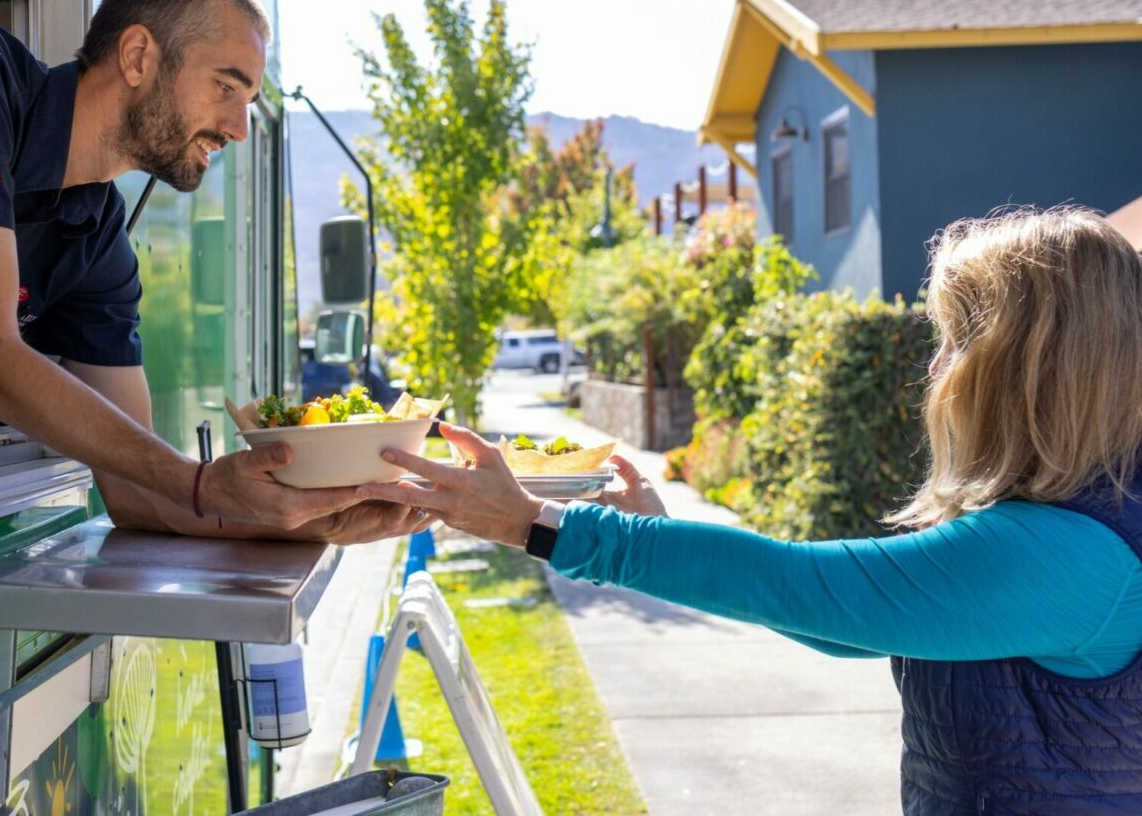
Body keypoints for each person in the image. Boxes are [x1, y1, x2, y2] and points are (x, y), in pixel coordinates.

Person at [368, 207, 1142, 815]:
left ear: (1033, 369)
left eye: (957, 340)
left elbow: (802, 586)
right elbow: (848, 620)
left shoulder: (1072, 554)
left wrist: (533, 522)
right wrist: (660, 538)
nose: (935, 366)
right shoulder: (1055, 531)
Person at [0, 0, 414, 544]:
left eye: (248, 101)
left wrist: (323, 520)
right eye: (225, 87)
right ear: (137, 57)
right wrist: (198, 483)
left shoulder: (97, 236)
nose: (238, 128)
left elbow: (138, 496)